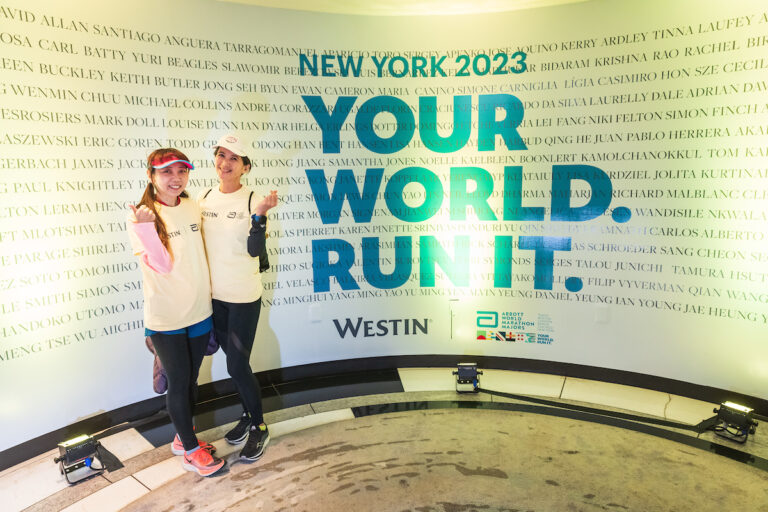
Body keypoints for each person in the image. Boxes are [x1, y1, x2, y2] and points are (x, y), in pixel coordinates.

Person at [127, 148, 225, 477]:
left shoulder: (193, 206)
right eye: (166, 172)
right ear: (151, 176)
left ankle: (184, 440)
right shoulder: (142, 215)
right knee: (179, 383)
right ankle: (191, 450)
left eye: (181, 171)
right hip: (166, 318)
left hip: (199, 312)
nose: (175, 178)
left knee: (191, 381)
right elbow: (164, 265)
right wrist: (144, 229)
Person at [198, 134, 278, 461]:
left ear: (245, 167)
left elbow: (254, 250)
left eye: (234, 158)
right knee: (233, 366)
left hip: (243, 297)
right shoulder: (203, 198)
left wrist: (259, 216)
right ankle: (247, 415)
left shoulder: (253, 199)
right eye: (221, 155)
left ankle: (259, 426)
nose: (225, 163)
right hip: (214, 297)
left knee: (237, 364)